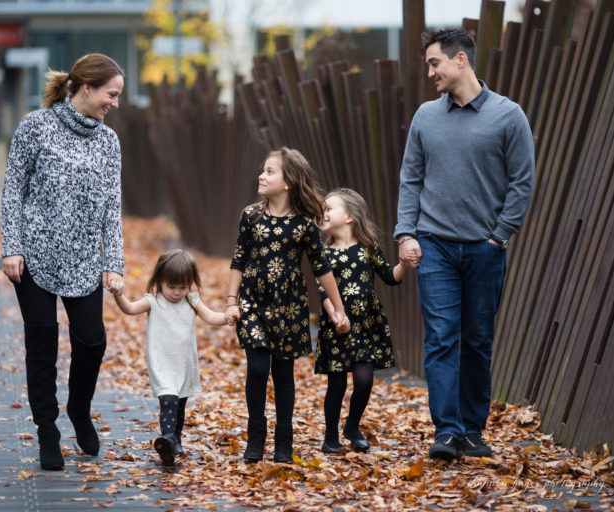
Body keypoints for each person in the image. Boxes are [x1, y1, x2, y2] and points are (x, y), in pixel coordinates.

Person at [395, 29, 535, 461]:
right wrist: (406, 232)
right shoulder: (425, 117)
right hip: (434, 245)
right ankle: (447, 432)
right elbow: (410, 179)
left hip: (484, 249)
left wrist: (500, 235)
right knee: (440, 338)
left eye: (435, 63)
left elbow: (522, 182)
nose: (431, 72)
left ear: (460, 60)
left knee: (477, 340)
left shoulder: (508, 116)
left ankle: (472, 431)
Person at [1, 53, 125, 471]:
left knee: (93, 341)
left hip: (86, 259)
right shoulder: (35, 127)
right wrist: (11, 246)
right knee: (42, 346)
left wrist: (115, 262)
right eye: (112, 94)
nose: (116, 103)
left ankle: (78, 408)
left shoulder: (109, 141)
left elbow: (112, 206)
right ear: (86, 88)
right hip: (33, 257)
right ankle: (47, 431)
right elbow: (12, 190)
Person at [225, 147, 350, 463]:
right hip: (253, 303)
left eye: (270, 171)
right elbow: (238, 260)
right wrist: (231, 301)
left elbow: (322, 268)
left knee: (283, 374)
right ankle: (256, 436)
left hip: (290, 308)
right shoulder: (250, 216)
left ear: (289, 181)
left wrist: (338, 310)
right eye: (262, 170)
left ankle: (284, 441)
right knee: (257, 367)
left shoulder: (305, 224)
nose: (261, 176)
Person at [111, 249, 226, 465]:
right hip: (162, 364)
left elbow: (211, 316)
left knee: (180, 405)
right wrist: (118, 294)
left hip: (184, 364)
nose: (177, 292)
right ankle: (167, 440)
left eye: (183, 287)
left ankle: (176, 440)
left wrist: (227, 318)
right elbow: (129, 308)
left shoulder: (191, 300)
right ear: (160, 281)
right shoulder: (153, 301)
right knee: (169, 401)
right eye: (171, 287)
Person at [316, 188, 409, 454]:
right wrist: (336, 315)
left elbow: (390, 276)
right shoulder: (324, 254)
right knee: (337, 384)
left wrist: (405, 264)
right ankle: (330, 435)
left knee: (365, 379)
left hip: (366, 324)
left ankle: (352, 426)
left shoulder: (368, 248)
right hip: (337, 324)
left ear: (349, 217)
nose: (323, 213)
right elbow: (323, 290)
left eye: (329, 208)